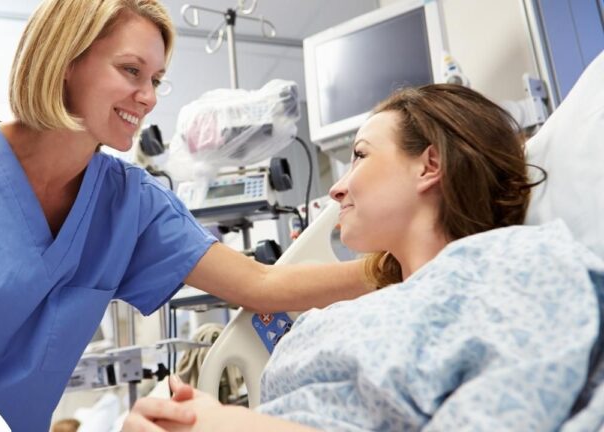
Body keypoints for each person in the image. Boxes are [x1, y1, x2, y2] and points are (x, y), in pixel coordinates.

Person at [0, 1, 370, 431]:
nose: (148, 97)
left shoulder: (130, 202)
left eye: (157, 79)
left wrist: (399, 267)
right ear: (67, 62)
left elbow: (261, 285)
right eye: (131, 70)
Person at [122, 85, 603, 431]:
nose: (336, 186)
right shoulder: (328, 322)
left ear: (430, 165)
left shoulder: (517, 269)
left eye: (360, 155)